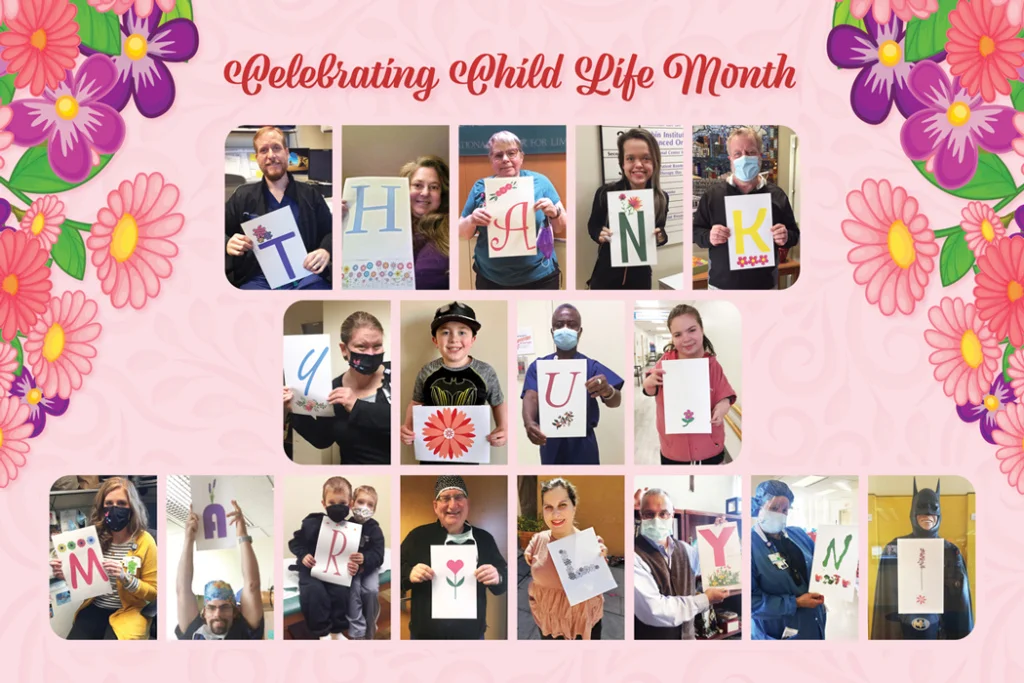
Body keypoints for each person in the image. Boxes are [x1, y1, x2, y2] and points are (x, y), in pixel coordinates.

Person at [225, 126, 332, 290]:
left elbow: (330, 231)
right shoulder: (242, 197)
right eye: (263, 150)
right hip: (259, 279)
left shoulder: (311, 195)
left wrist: (325, 250)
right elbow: (216, 230)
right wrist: (227, 243)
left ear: (287, 153)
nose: (271, 156)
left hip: (305, 275)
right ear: (257, 157)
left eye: (276, 148)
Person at [400, 476, 508, 639]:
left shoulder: (484, 539)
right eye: (445, 498)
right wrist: (409, 573)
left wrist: (498, 576)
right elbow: (394, 570)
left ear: (467, 504)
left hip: (470, 636)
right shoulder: (418, 537)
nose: (453, 505)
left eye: (459, 497)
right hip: (424, 636)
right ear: (435, 506)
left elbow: (503, 583)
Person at [692, 126, 800, 290]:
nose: (744, 158)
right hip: (722, 286)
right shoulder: (712, 196)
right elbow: (696, 232)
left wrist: (786, 237)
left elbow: (794, 234)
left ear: (759, 156)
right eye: (738, 154)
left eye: (750, 152)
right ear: (730, 158)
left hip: (764, 286)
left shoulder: (777, 195)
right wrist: (709, 236)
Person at [458, 131, 568, 289]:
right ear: (491, 160)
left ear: (521, 157)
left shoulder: (540, 182)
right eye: (498, 155)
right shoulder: (480, 187)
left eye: (511, 153)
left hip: (539, 276)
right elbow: (464, 233)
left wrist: (554, 212)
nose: (505, 160)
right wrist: (471, 220)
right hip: (490, 278)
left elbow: (560, 226)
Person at [50, 477, 157, 640]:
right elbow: (85, 579)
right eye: (109, 504)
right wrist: (66, 574)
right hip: (95, 607)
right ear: (101, 507)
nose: (115, 509)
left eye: (121, 504)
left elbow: (153, 593)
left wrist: (125, 577)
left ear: (132, 507)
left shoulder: (145, 541)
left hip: (129, 610)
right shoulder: (92, 538)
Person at [401, 302, 507, 461]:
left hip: (471, 452)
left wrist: (503, 428)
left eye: (462, 332)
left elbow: (498, 402)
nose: (453, 339)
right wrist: (407, 426)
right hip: (431, 452)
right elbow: (416, 403)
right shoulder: (426, 372)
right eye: (445, 332)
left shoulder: (486, 372)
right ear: (435, 340)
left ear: (473, 339)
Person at [870, 478, 974, 640]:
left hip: (939, 626)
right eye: (922, 510)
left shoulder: (950, 550)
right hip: (903, 625)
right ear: (913, 514)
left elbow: (959, 599)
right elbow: (887, 592)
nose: (928, 515)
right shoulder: (895, 547)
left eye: (933, 510)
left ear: (939, 515)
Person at [521, 304, 624, 465]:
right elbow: (531, 396)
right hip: (549, 440)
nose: (565, 328)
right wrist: (529, 423)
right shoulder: (539, 366)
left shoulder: (591, 366)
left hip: (583, 442)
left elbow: (615, 401)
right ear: (552, 331)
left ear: (580, 331)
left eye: (572, 324)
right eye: (559, 325)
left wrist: (608, 391)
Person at [285, 311, 391, 465]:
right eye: (361, 347)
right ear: (344, 349)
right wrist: (295, 409)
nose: (371, 353)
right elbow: (322, 439)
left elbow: (402, 422)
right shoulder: (331, 389)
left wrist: (357, 406)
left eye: (377, 346)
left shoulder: (395, 375)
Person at [288, 477, 385, 640]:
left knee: (341, 593)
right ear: (323, 503)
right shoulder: (312, 522)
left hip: (336, 572)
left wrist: (357, 566)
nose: (336, 507)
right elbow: (296, 542)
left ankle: (337, 630)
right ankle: (322, 633)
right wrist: (303, 555)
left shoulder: (351, 529)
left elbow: (355, 556)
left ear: (350, 503)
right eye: (331, 503)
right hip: (312, 569)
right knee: (314, 592)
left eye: (342, 502)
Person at [641, 304, 736, 465]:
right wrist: (649, 383)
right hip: (673, 449)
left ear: (702, 329)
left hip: (710, 447)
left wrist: (722, 406)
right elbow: (650, 390)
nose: (686, 338)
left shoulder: (712, 365)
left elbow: (725, 395)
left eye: (692, 330)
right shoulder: (666, 362)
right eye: (678, 334)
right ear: (672, 337)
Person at [633, 488, 727, 639]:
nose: (656, 519)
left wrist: (717, 533)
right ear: (641, 515)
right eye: (649, 514)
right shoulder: (635, 555)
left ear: (672, 514)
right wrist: (705, 599)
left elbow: (708, 563)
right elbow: (655, 610)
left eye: (663, 513)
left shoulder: (684, 548)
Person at [523, 478, 608, 640]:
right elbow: (530, 557)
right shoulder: (537, 540)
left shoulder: (591, 545)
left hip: (580, 627)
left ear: (574, 507)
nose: (555, 514)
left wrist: (599, 558)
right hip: (547, 623)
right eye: (548, 507)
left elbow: (596, 587)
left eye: (562, 505)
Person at [587, 128, 670, 289]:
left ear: (655, 162)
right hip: (606, 275)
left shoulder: (661, 198)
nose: (638, 165)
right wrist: (599, 234)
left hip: (640, 277)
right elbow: (593, 226)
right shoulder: (606, 193)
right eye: (630, 158)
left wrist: (661, 237)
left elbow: (660, 231)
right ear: (622, 163)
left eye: (646, 158)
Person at [175, 500, 264, 640]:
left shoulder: (245, 630)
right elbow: (182, 589)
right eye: (211, 607)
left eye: (224, 607)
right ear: (203, 612)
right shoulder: (192, 632)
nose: (217, 614)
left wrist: (242, 534)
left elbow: (252, 585)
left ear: (235, 612)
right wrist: (189, 539)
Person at [750, 480, 826, 640]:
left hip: (813, 622)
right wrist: (795, 603)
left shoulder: (798, 535)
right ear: (759, 508)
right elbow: (751, 602)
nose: (780, 514)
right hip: (778, 630)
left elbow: (821, 565)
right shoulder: (749, 545)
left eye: (785, 510)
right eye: (773, 508)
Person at [402, 155, 450, 289]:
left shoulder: (450, 230)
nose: (425, 193)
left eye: (434, 187)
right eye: (418, 185)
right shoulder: (385, 227)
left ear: (442, 194)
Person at [346, 485, 385, 640]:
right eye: (360, 502)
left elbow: (379, 555)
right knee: (353, 591)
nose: (364, 507)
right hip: (351, 569)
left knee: (370, 591)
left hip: (369, 568)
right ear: (351, 503)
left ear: (374, 510)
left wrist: (365, 559)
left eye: (370, 505)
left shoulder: (375, 530)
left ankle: (370, 628)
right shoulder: (344, 526)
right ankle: (357, 632)